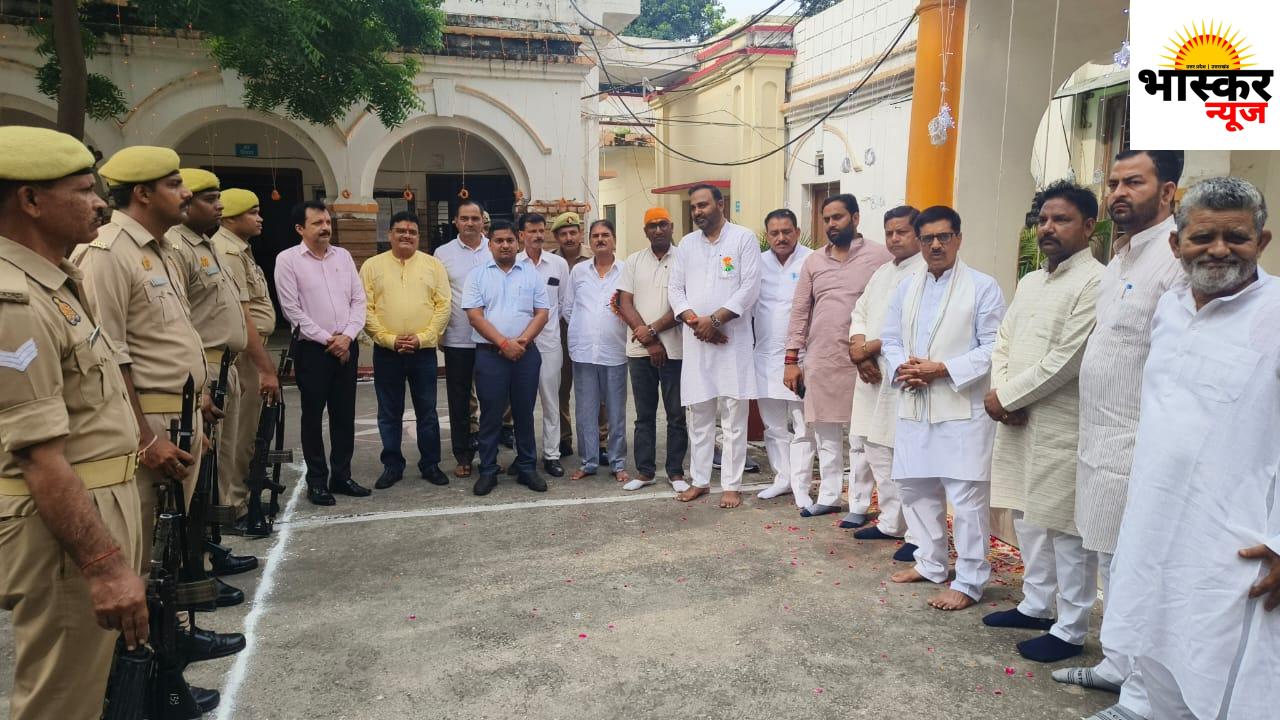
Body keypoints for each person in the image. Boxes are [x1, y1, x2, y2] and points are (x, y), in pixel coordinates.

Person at [1095, 176, 1277, 720]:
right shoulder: (1170, 308)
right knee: (1155, 659)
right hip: (1156, 531)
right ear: (1176, 245)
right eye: (1202, 237)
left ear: (1262, 242)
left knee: (1226, 687)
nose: (1219, 250)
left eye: (1236, 237)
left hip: (1238, 549)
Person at [70, 145, 237, 705]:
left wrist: (200, 397)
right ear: (141, 193)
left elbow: (172, 335)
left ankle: (168, 663)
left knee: (168, 561)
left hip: (181, 416)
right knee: (143, 563)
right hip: (149, 427)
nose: (185, 193)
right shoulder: (108, 253)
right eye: (173, 184)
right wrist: (145, 438)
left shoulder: (159, 249)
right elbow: (111, 354)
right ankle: (138, 688)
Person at [0, 126, 149, 720]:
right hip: (63, 530)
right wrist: (103, 566)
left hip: (99, 503)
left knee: (89, 687)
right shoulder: (15, 302)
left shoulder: (56, 281)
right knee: (61, 701)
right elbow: (37, 455)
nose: (100, 204)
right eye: (84, 190)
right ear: (30, 200)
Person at [1055, 151, 1186, 718]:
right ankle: (1116, 664)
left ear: (1169, 191)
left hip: (1143, 442)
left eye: (1134, 181)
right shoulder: (1121, 256)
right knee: (1110, 559)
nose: (1118, 193)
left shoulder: (1176, 258)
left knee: (1140, 569)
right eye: (1113, 182)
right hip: (1100, 439)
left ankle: (1144, 694)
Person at [983, 181, 1104, 663]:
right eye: (1044, 220)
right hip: (1017, 419)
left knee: (1066, 528)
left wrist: (1007, 396)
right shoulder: (1032, 281)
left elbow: (1069, 358)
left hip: (1061, 422)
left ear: (1089, 226)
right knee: (1027, 516)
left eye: (1062, 219)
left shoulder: (1096, 282)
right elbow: (1003, 341)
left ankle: (1071, 628)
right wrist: (1002, 394)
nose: (1048, 228)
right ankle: (1035, 605)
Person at [881, 205, 1006, 611]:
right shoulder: (907, 287)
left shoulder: (983, 287)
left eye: (944, 236)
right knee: (915, 488)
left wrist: (942, 369)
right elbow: (890, 338)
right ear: (919, 243)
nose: (935, 245)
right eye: (928, 238)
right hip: (915, 400)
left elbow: (994, 346)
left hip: (960, 406)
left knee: (966, 498)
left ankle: (969, 581)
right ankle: (931, 563)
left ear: (958, 239)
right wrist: (903, 368)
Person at [166, 169, 261, 582]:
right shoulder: (176, 247)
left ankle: (207, 546)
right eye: (210, 199)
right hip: (202, 373)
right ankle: (196, 561)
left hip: (224, 368)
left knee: (216, 463)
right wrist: (200, 385)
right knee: (202, 468)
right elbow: (179, 322)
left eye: (219, 198)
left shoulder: (208, 244)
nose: (219, 206)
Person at [783, 194, 892, 519]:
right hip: (821, 358)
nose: (832, 224)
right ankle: (829, 496)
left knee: (859, 437)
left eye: (838, 217)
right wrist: (791, 360)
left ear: (855, 218)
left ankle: (858, 504)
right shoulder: (814, 261)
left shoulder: (880, 256)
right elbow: (800, 311)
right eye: (827, 218)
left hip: (864, 361)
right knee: (826, 434)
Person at [668, 184, 761, 509]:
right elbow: (675, 290)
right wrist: (698, 323)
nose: (698, 211)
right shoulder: (686, 244)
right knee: (699, 414)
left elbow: (750, 287)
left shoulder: (743, 238)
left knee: (734, 416)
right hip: (698, 343)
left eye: (704, 205)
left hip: (732, 342)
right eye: (694, 207)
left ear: (720, 204)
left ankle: (732, 485)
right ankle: (700, 480)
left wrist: (717, 320)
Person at [274, 200, 368, 506]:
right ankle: (317, 481)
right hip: (313, 350)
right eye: (317, 223)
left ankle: (341, 476)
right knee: (313, 416)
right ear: (300, 228)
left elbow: (359, 301)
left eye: (327, 222)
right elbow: (292, 311)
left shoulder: (343, 256)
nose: (325, 227)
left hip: (347, 347)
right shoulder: (288, 260)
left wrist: (348, 336)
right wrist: (331, 340)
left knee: (344, 414)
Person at [848, 205, 925, 559]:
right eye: (889, 232)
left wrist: (867, 350)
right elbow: (860, 312)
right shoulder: (882, 271)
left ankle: (918, 532)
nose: (894, 238)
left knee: (903, 453)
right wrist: (858, 349)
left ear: (917, 233)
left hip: (899, 372)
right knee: (874, 447)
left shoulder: (925, 272)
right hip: (869, 372)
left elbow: (911, 324)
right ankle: (891, 521)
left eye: (902, 231)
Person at [360, 210, 451, 489]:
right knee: (389, 412)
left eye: (412, 232)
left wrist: (423, 338)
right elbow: (364, 307)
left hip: (423, 352)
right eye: (400, 231)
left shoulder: (433, 265)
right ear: (389, 234)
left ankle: (430, 464)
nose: (406, 236)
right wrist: (388, 339)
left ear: (418, 236)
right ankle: (392, 465)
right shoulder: (372, 266)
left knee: (427, 411)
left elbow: (443, 305)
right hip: (387, 352)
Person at [210, 188, 281, 536]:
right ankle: (234, 504)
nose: (259, 218)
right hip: (243, 356)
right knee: (237, 437)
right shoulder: (227, 251)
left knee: (249, 431)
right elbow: (243, 316)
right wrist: (266, 367)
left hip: (251, 351)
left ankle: (242, 496)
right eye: (252, 212)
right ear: (231, 217)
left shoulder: (240, 249)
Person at [462, 220, 551, 495]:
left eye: (510, 240)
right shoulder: (477, 276)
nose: (504, 245)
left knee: (524, 413)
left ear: (518, 242)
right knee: (490, 414)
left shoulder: (531, 274)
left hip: (526, 354)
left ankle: (526, 467)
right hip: (490, 355)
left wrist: (521, 342)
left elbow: (542, 313)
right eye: (499, 241)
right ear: (489, 244)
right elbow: (475, 316)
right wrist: (503, 343)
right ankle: (488, 470)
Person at [617, 207, 688, 493]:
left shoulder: (684, 259)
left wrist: (654, 331)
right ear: (645, 231)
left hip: (676, 351)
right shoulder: (633, 261)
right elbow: (624, 303)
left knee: (676, 415)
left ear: (671, 227)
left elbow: (684, 304)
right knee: (644, 415)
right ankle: (645, 471)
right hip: (639, 351)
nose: (658, 230)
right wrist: (649, 340)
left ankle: (676, 472)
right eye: (652, 226)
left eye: (662, 224)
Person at [753, 209, 814, 508]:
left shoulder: (811, 260)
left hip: (801, 356)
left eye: (787, 231)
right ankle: (782, 478)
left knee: (802, 425)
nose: (781, 237)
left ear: (797, 232)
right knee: (773, 425)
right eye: (774, 233)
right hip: (764, 355)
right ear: (767, 235)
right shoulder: (757, 262)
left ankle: (801, 485)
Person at [564, 219, 629, 482]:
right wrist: (587, 328)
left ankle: (618, 462)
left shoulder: (625, 271)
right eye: (595, 236)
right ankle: (588, 462)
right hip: (583, 352)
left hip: (615, 351)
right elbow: (568, 308)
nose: (600, 239)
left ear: (614, 240)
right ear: (589, 241)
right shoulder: (579, 272)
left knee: (616, 412)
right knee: (585, 411)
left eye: (605, 235)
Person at [435, 200, 489, 478]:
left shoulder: (496, 248)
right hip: (458, 339)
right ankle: (463, 455)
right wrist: (439, 331)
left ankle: (489, 456)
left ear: (483, 221)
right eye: (464, 218)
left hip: (491, 339)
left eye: (475, 218)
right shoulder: (442, 254)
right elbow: (437, 295)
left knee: (492, 399)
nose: (470, 223)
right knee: (459, 402)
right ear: (455, 221)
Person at [515, 212, 570, 477]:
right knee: (521, 404)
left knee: (551, 401)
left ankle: (552, 455)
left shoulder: (558, 264)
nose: (538, 235)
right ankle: (523, 455)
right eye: (532, 231)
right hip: (519, 345)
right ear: (521, 235)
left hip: (549, 343)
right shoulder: (513, 264)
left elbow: (564, 303)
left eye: (541, 231)